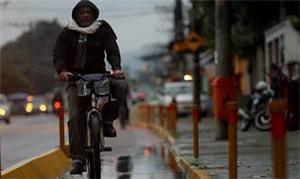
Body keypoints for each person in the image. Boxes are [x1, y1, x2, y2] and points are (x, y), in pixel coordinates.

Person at [53, 0, 127, 174]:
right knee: (75, 117)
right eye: (82, 12)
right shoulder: (66, 33)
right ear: (76, 15)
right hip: (75, 79)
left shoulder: (103, 29)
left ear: (94, 14)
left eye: (89, 12)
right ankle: (78, 159)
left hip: (101, 76)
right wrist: (62, 70)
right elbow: (59, 55)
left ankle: (107, 122)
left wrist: (116, 68)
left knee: (121, 86)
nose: (85, 15)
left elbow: (112, 50)